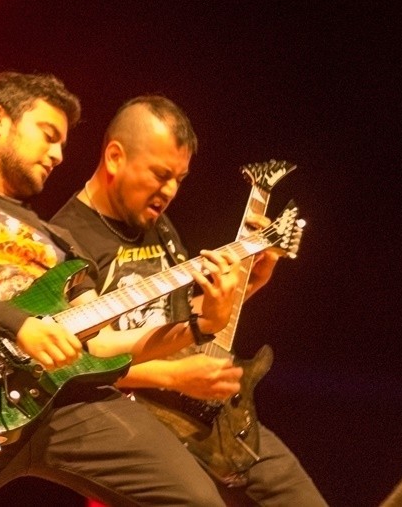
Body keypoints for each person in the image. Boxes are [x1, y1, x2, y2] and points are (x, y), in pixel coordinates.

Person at [0, 72, 245, 506]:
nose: (58, 155)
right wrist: (21, 325)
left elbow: (101, 344)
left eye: (62, 144)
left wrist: (199, 325)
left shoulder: (58, 240)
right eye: (48, 136)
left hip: (72, 404)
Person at [50, 95, 326, 506]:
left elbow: (185, 322)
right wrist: (174, 377)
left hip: (205, 413)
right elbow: (81, 360)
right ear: (113, 157)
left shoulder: (156, 223)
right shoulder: (65, 239)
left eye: (179, 178)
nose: (171, 191)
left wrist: (247, 286)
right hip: (133, 424)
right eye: (161, 175)